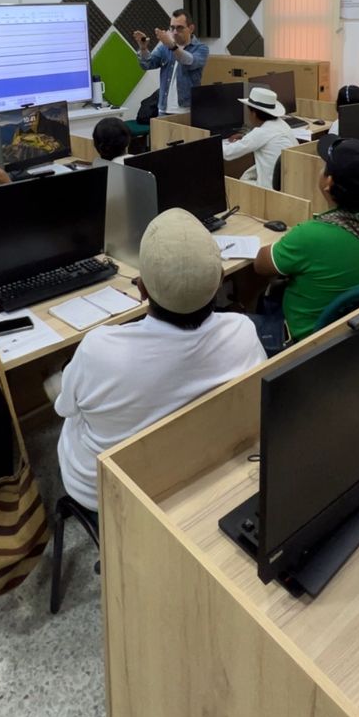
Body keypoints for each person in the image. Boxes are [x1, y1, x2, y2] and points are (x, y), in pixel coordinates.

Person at [54, 207, 264, 517]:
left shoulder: (98, 350)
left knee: (71, 409)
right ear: (219, 280)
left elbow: (64, 409)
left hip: (108, 491)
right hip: (200, 468)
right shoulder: (242, 330)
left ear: (141, 288)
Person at [252, 135, 359, 350]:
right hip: (348, 332)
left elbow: (260, 265)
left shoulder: (310, 235)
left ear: (329, 182)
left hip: (304, 338)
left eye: (325, 166)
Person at [132, 10, 209, 115]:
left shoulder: (201, 48)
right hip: (163, 109)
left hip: (187, 110)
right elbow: (147, 64)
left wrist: (172, 46)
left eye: (180, 28)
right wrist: (143, 48)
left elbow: (189, 61)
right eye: (172, 28)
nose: (175, 32)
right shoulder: (165, 48)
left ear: (191, 28)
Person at [222, 85, 297, 189]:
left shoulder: (261, 132)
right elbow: (264, 137)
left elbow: (227, 153)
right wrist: (245, 136)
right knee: (245, 176)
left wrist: (211, 143)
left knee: (235, 185)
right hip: (289, 183)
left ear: (253, 114)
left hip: (271, 188)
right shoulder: (282, 124)